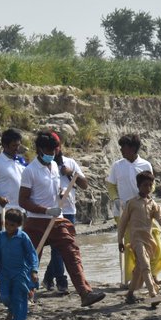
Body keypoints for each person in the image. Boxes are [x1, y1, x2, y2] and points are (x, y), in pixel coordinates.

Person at [18, 132, 106, 308]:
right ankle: (24, 295)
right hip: (36, 222)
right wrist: (45, 209)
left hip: (57, 220)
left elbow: (61, 188)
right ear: (39, 149)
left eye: (54, 149)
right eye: (48, 149)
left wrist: (58, 196)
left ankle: (85, 292)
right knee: (30, 260)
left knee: (72, 253)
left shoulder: (55, 166)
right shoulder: (30, 171)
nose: (52, 152)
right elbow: (23, 200)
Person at [106, 133, 158, 285]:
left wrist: (147, 196)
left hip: (143, 208)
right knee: (129, 244)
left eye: (124, 147)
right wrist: (115, 198)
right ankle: (130, 278)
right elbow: (111, 185)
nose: (121, 150)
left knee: (151, 242)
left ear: (133, 149)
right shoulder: (117, 165)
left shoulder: (145, 165)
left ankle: (152, 274)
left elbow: (151, 184)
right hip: (123, 209)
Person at [41, 133, 87, 296]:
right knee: (57, 248)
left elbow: (84, 184)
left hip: (69, 211)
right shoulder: (44, 163)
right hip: (52, 210)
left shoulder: (70, 163)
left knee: (62, 248)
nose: (55, 150)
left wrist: (71, 173)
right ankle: (61, 281)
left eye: (57, 146)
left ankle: (48, 277)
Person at [117, 172, 161, 303]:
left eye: (150, 185)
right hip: (136, 240)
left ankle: (130, 294)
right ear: (138, 186)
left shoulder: (153, 204)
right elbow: (123, 223)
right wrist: (120, 240)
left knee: (139, 269)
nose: (147, 188)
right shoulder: (132, 203)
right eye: (144, 185)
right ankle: (153, 294)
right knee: (146, 266)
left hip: (149, 240)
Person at [0, 208, 37, 320]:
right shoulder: (1, 236)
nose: (9, 227)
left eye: (12, 225)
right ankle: (12, 309)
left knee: (18, 297)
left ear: (19, 225)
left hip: (20, 273)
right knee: (5, 296)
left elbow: (32, 253)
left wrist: (34, 270)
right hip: (4, 272)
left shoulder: (23, 237)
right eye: (7, 224)